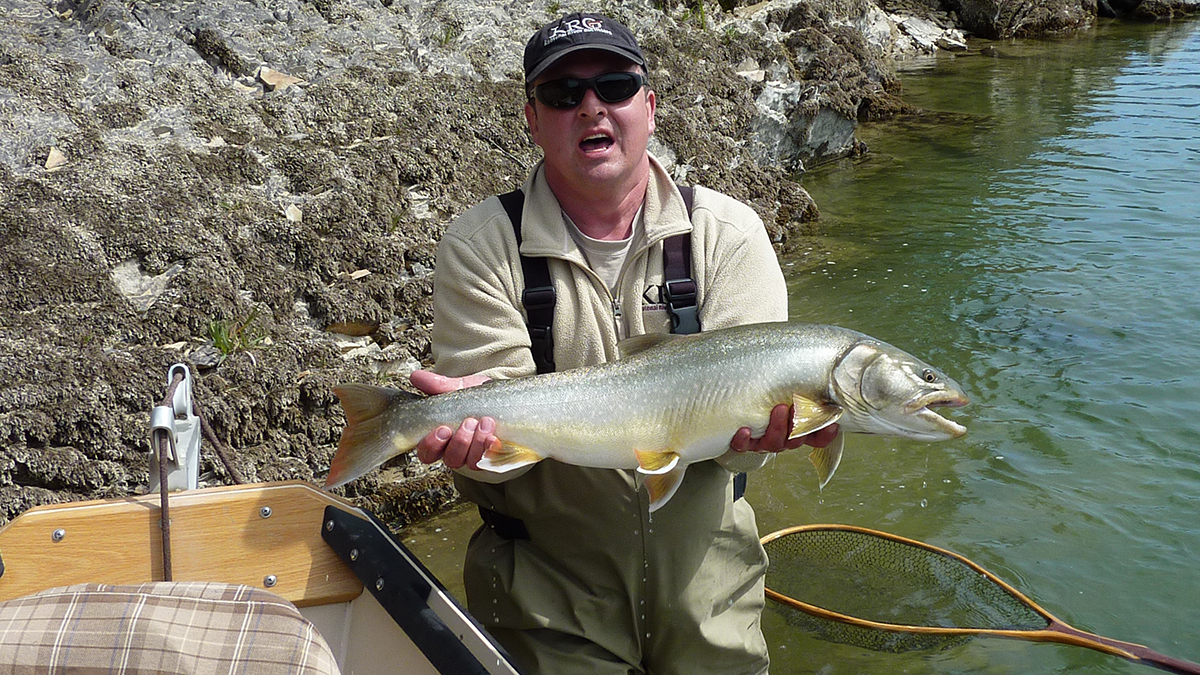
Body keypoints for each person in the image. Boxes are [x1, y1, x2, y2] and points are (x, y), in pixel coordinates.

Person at [408, 13, 839, 675]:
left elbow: (739, 439)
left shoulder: (728, 233)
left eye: (614, 85)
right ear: (532, 117)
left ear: (649, 106)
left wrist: (762, 435)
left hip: (709, 590)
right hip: (546, 601)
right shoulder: (480, 245)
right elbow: (500, 457)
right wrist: (475, 446)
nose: (591, 107)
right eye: (563, 94)